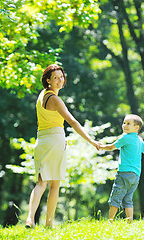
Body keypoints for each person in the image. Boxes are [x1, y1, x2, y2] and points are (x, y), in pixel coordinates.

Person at [25, 64, 100, 228]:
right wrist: (91, 141)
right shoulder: (55, 99)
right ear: (48, 81)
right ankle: (49, 224)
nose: (60, 80)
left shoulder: (41, 96)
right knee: (54, 185)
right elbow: (72, 121)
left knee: (40, 183)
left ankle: (30, 218)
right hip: (55, 140)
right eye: (55, 78)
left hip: (41, 140)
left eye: (61, 77)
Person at [99, 114, 144, 223]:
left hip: (124, 173)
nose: (124, 125)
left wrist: (100, 146)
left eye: (128, 123)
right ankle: (130, 222)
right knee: (128, 199)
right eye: (124, 123)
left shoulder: (125, 137)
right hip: (135, 176)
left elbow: (111, 147)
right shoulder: (139, 140)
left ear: (136, 127)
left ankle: (110, 221)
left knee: (115, 197)